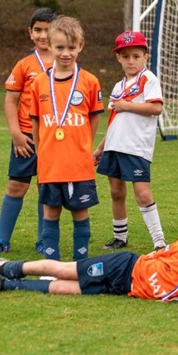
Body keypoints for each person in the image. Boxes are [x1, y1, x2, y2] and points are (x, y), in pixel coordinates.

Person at [0, 230, 178, 305]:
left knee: (65, 290)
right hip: (123, 266)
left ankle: (3, 285)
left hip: (123, 290)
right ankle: (6, 268)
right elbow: (160, 252)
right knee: (66, 270)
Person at [0, 8, 58, 257]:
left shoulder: (66, 63)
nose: (43, 35)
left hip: (53, 140)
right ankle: (1, 241)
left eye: (48, 30)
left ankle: (43, 240)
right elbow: (10, 101)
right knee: (16, 186)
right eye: (38, 30)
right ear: (30, 32)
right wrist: (15, 133)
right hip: (26, 138)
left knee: (45, 189)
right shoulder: (24, 65)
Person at [29, 16, 104, 261]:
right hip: (50, 165)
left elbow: (94, 118)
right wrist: (42, 152)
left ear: (80, 46)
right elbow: (36, 121)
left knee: (80, 214)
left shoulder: (89, 81)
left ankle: (80, 264)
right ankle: (51, 265)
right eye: (60, 47)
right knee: (50, 214)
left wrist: (84, 146)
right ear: (49, 46)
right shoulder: (39, 83)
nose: (65, 53)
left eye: (71, 48)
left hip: (78, 165)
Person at [93, 31, 166, 251]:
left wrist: (127, 105)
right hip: (114, 146)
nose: (130, 61)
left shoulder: (148, 79)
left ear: (145, 57)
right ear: (118, 58)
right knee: (116, 192)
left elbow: (156, 107)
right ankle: (120, 237)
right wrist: (100, 148)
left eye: (136, 56)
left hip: (135, 148)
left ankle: (159, 241)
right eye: (126, 57)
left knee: (142, 194)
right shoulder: (118, 86)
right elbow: (115, 120)